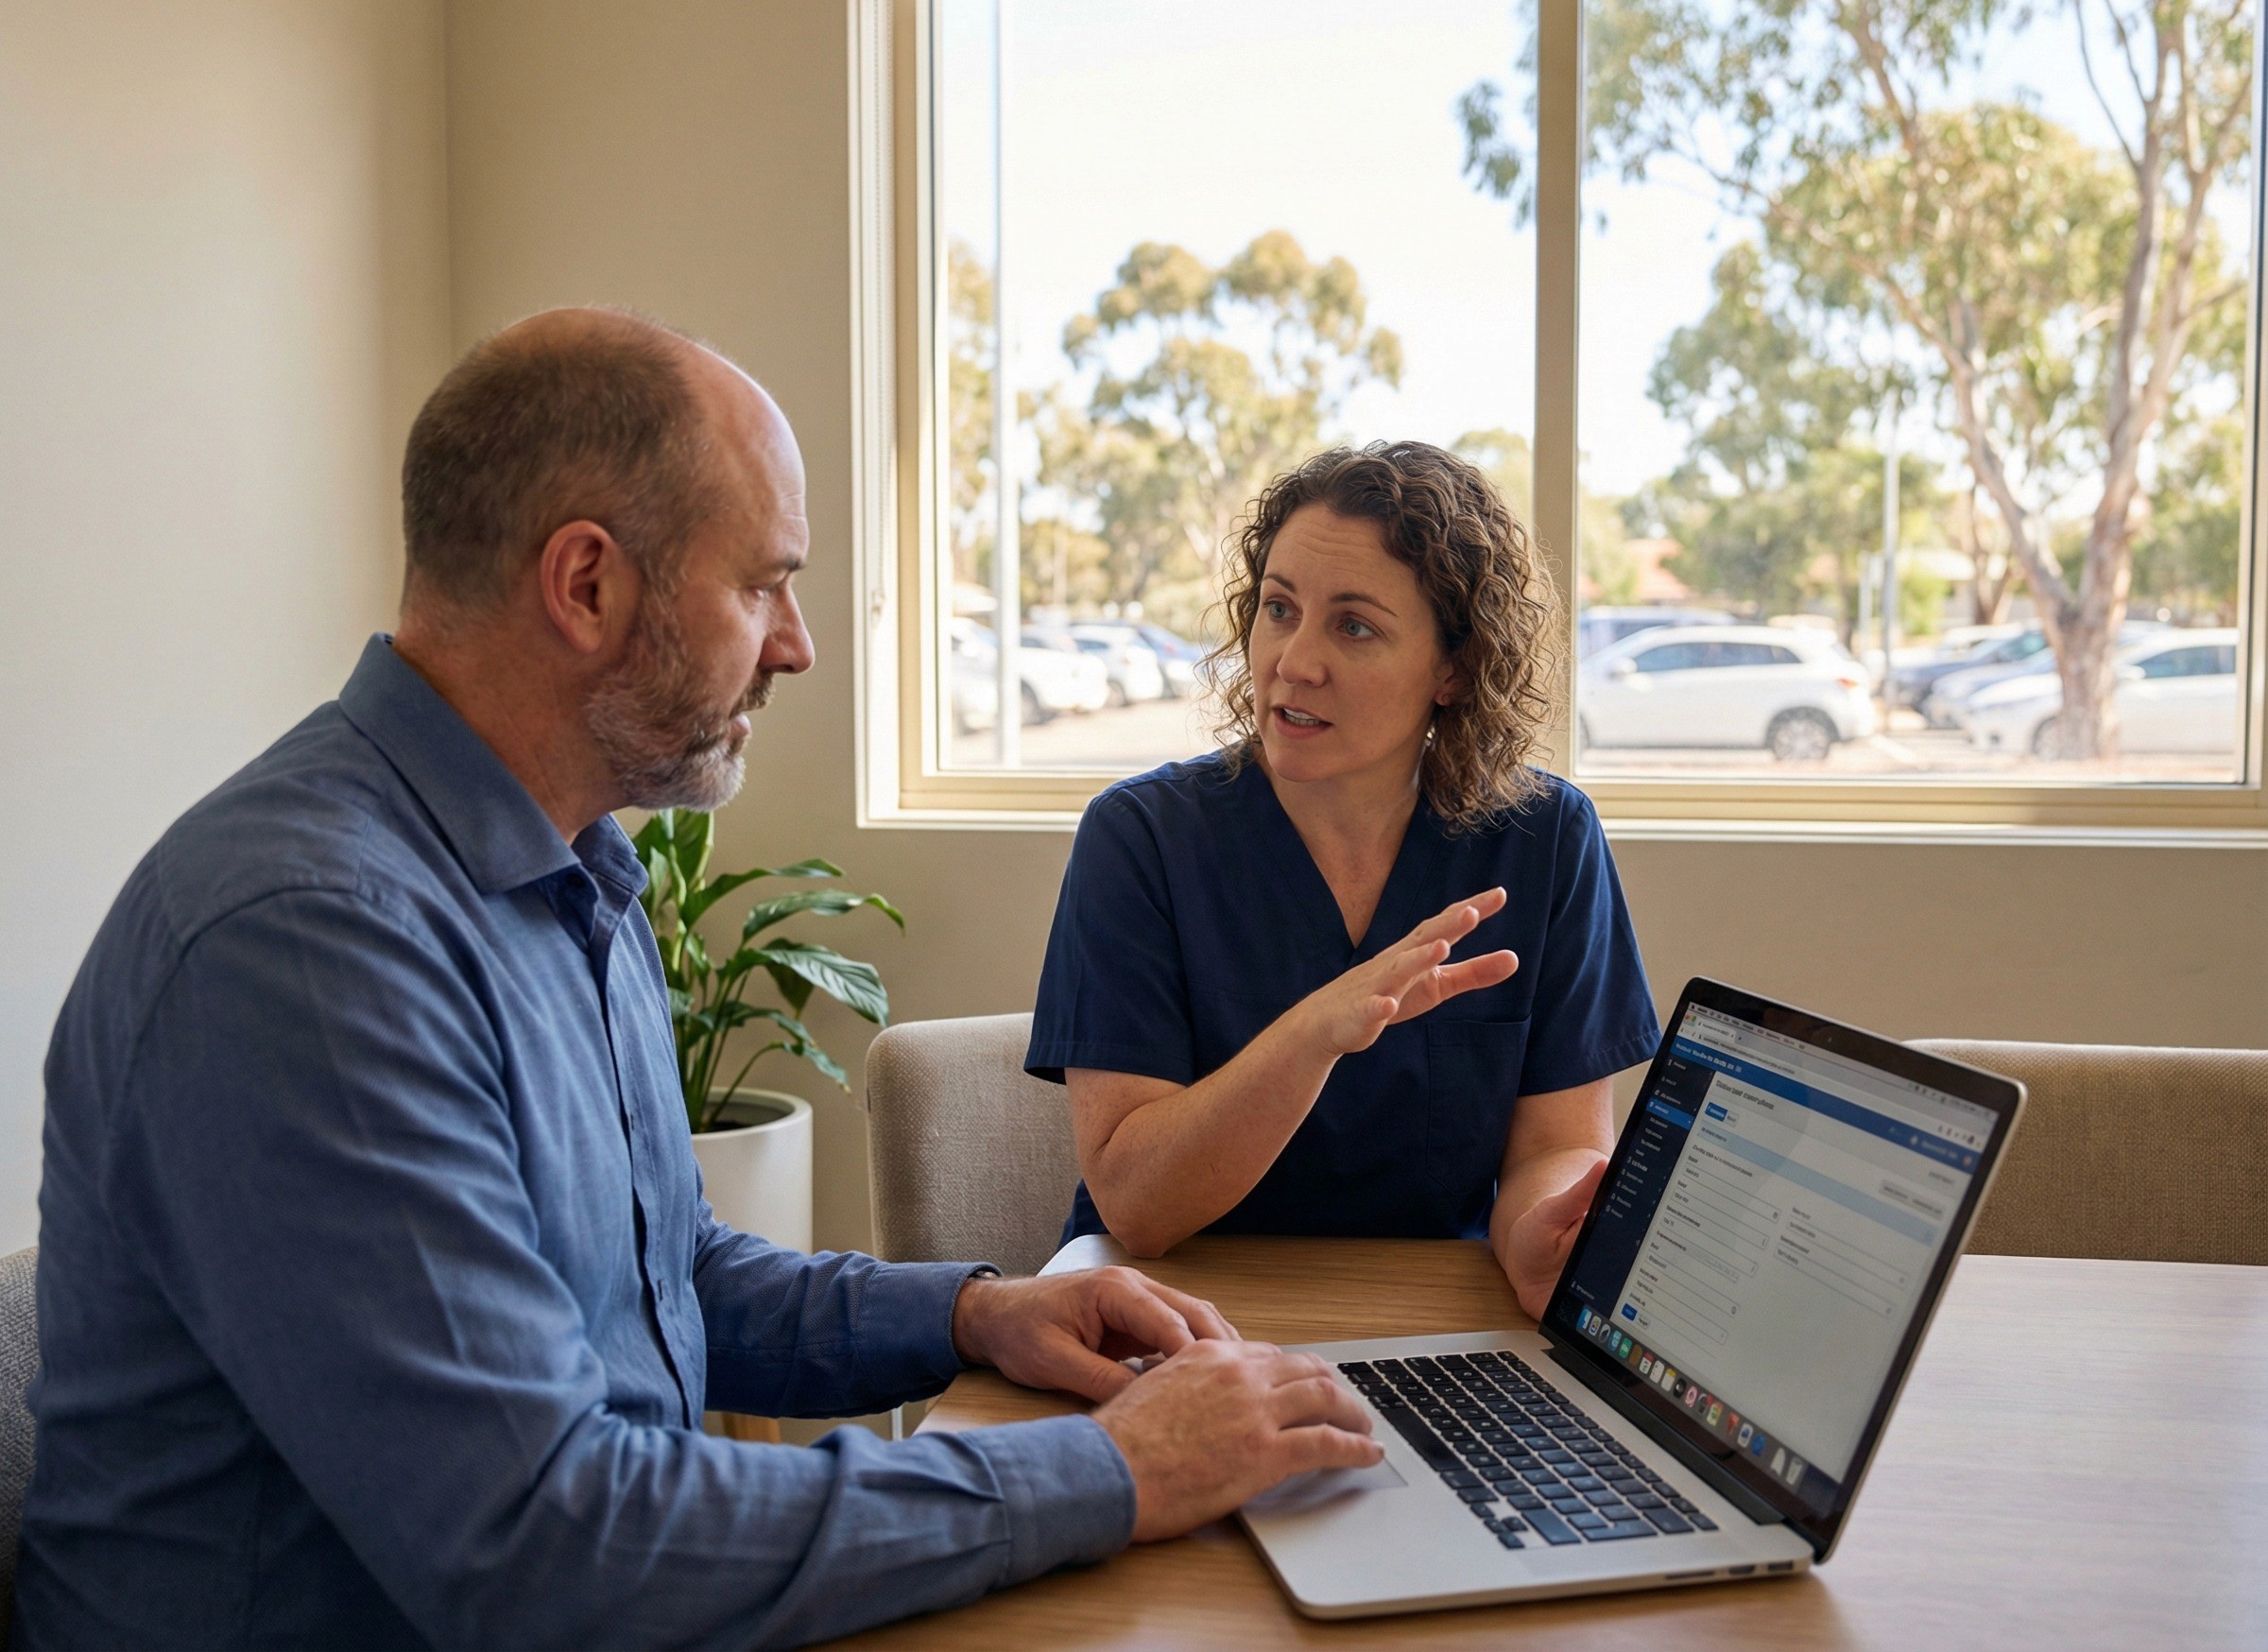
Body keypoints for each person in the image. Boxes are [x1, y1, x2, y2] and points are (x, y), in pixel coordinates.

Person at [13, 309, 1381, 1651]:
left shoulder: (569, 868)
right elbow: (547, 1550)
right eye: (761, 584)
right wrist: (1116, 1472)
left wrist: (976, 1312)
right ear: (588, 584)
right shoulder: (307, 948)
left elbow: (656, 1285)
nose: (795, 645)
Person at [1028, 441, 1660, 1317]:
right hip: (1177, 1320)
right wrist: (1315, 1034)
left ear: (1455, 668)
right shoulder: (1139, 839)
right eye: (1279, 608)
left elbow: (1553, 1147)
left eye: (1353, 625)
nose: (1294, 660)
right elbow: (1138, 1207)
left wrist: (1534, 1236)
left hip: (1434, 1325)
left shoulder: (1545, 839)